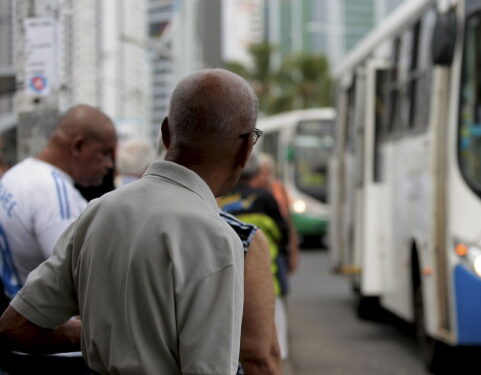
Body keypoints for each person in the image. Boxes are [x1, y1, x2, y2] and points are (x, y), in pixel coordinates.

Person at [0, 69, 277, 375]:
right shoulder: (218, 239)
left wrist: (99, 334)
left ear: (166, 133)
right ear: (245, 148)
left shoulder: (98, 212)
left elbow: (15, 326)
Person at [0, 104, 115, 374]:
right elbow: (82, 282)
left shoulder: (18, 176)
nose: (109, 164)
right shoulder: (54, 194)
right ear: (78, 146)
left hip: (22, 343)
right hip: (53, 355)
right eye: (104, 153)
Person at [220, 153, 291, 360]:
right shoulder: (265, 198)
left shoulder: (220, 198)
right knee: (268, 349)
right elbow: (282, 235)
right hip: (266, 280)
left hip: (227, 280)